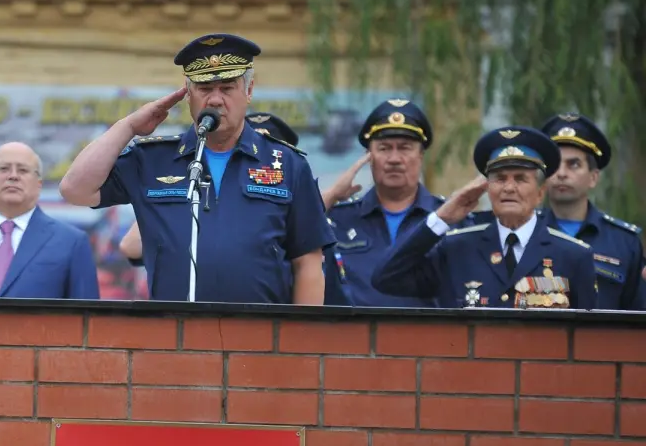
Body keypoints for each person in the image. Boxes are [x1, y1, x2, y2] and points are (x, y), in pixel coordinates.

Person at [60, 33, 333, 304]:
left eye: (227, 88)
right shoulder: (153, 159)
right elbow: (75, 190)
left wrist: (298, 342)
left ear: (248, 91)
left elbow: (307, 263)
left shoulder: (286, 163)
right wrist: (128, 127)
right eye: (204, 89)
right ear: (187, 94)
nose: (215, 100)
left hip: (261, 337)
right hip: (172, 337)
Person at [117, 110, 352, 305]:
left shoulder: (293, 171)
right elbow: (130, 245)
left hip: (269, 330)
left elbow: (310, 264)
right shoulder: (198, 169)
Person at [372, 125, 597, 309]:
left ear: (540, 193)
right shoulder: (456, 248)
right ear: (488, 189)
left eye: (520, 179)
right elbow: (385, 277)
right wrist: (441, 218)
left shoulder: (573, 255)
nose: (509, 188)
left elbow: (587, 339)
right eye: (499, 179)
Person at [323, 99, 455, 307]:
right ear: (369, 156)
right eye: (384, 148)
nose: (394, 158)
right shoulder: (337, 220)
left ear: (421, 156)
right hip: (356, 337)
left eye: (404, 148)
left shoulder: (448, 218)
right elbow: (288, 240)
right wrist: (330, 195)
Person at [539, 112, 644, 310]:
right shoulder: (526, 233)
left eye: (574, 164)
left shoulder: (623, 242)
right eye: (555, 166)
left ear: (593, 177)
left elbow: (638, 320)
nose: (561, 174)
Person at [0, 142, 100, 299]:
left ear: (39, 184)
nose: (13, 176)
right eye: (3, 169)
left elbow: (87, 317)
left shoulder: (71, 242)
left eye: (23, 170)